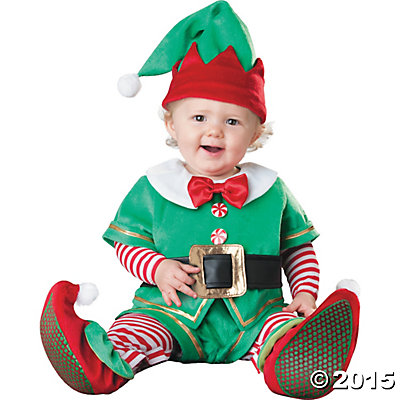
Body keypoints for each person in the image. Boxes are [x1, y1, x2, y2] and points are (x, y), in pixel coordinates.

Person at [40, 2, 360, 398]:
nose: (215, 131)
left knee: (279, 329)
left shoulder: (272, 190)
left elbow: (298, 249)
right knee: (137, 331)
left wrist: (305, 294)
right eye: (199, 118)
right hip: (169, 311)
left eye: (232, 121)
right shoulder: (154, 187)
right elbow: (127, 245)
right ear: (172, 123)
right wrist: (157, 267)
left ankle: (297, 362)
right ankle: (98, 361)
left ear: (255, 132)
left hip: (255, 315)